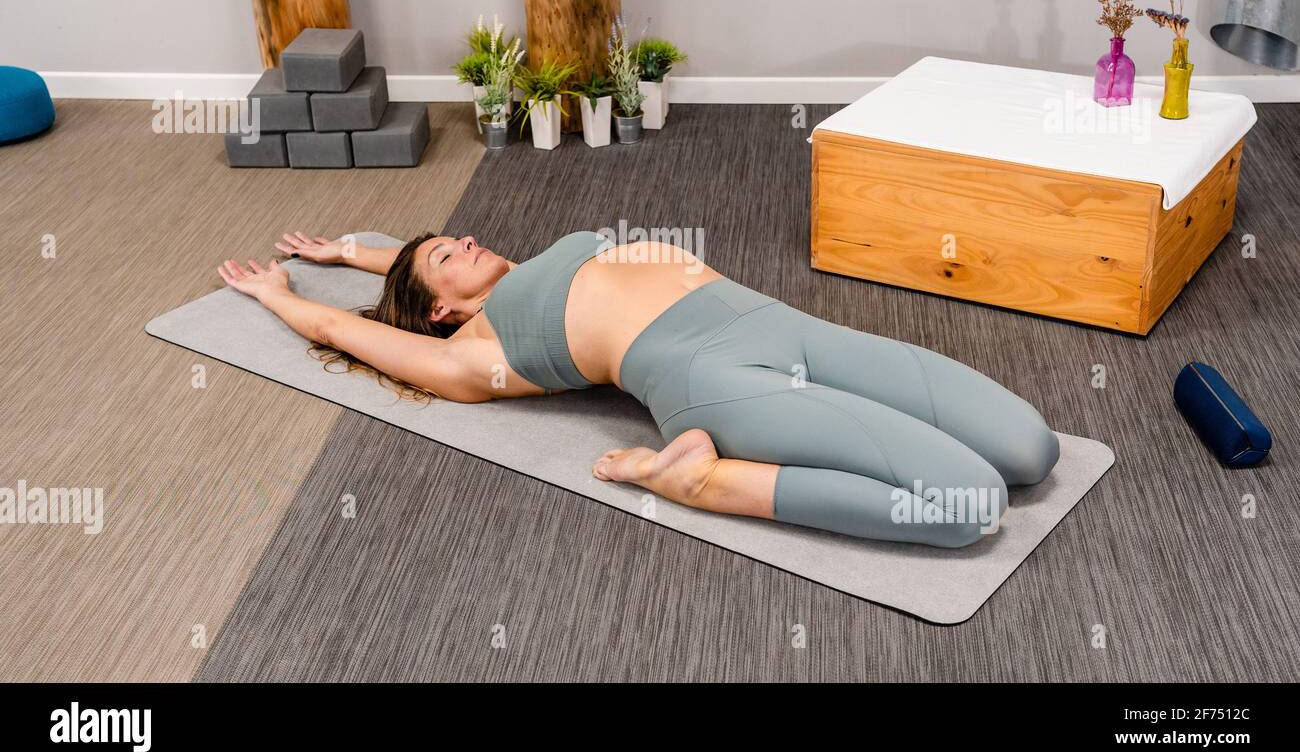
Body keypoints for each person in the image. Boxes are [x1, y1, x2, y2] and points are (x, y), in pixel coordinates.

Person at [218, 229, 1059, 548]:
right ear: (438, 309)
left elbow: (417, 256)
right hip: (714, 380)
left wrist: (352, 253)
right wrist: (283, 295)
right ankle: (698, 479)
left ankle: (714, 472)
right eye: (448, 255)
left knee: (1033, 450)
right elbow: (343, 330)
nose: (468, 239)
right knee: (969, 506)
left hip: (782, 324)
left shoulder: (526, 267)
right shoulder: (472, 355)